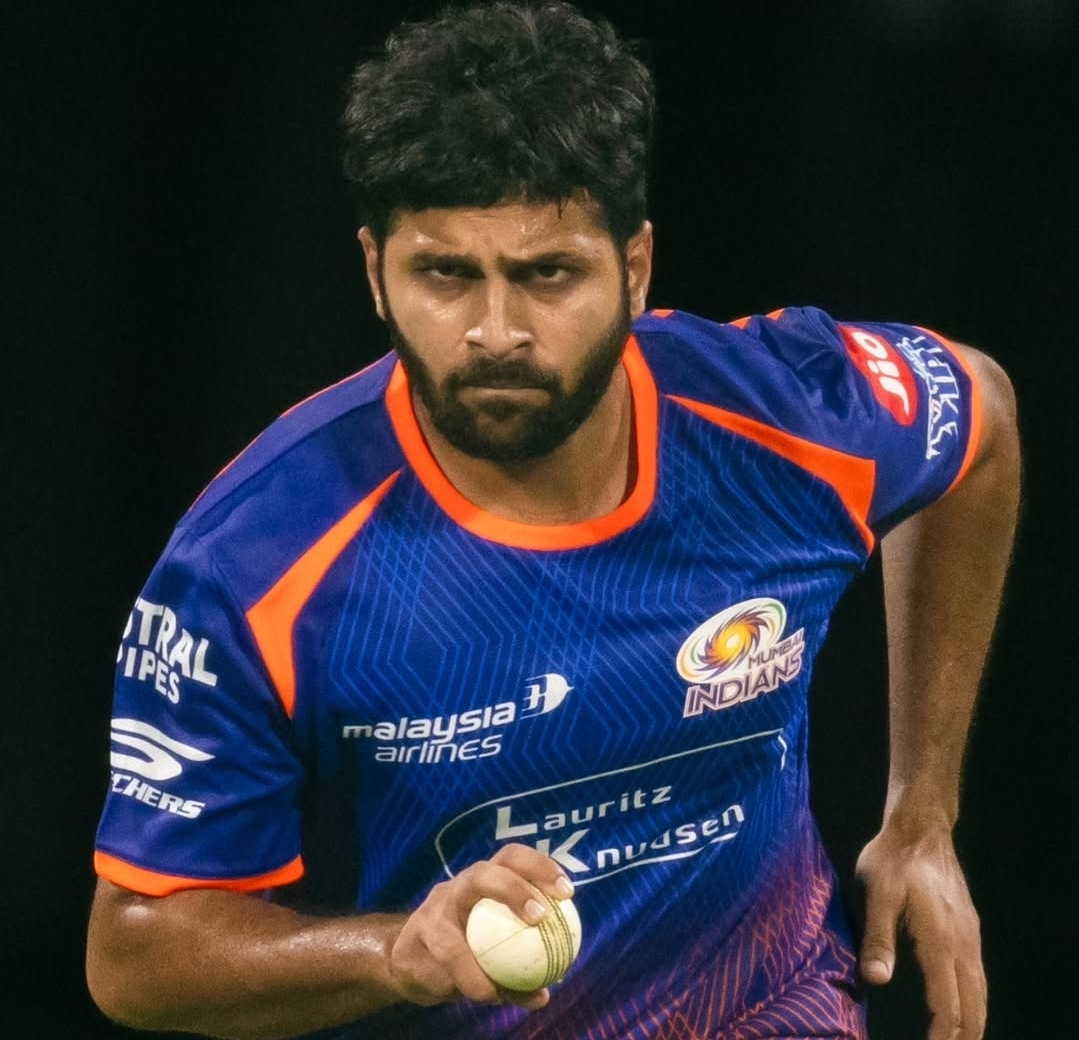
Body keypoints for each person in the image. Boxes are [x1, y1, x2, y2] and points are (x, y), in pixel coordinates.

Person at [84, 3, 1021, 1039]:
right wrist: (392, 952)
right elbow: (135, 953)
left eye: (547, 274)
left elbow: (977, 415)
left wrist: (921, 814)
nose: (496, 333)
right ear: (374, 272)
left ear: (635, 268)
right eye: (446, 274)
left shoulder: (785, 417)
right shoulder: (252, 563)